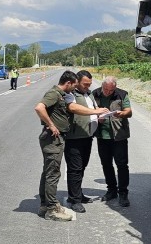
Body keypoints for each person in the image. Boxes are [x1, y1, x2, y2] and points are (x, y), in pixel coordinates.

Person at [34, 70, 109, 221]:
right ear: (69, 83)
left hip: (69, 137)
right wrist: (51, 125)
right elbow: (39, 107)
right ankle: (52, 208)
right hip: (56, 138)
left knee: (50, 171)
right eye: (76, 85)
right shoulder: (56, 93)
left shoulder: (68, 93)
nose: (76, 88)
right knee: (53, 173)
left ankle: (46, 205)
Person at [93, 76, 132, 207]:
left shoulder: (122, 94)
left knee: (122, 165)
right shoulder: (95, 94)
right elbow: (89, 111)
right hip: (102, 136)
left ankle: (123, 193)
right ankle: (111, 190)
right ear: (102, 86)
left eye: (111, 90)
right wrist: (97, 116)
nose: (108, 92)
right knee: (106, 164)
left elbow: (129, 111)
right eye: (106, 89)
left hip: (119, 136)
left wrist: (121, 114)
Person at [63, 70, 99, 213]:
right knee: (75, 169)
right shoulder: (70, 94)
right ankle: (74, 200)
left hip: (87, 136)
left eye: (89, 84)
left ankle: (78, 194)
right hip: (74, 137)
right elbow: (73, 108)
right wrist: (96, 112)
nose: (87, 87)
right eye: (85, 84)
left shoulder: (89, 94)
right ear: (77, 82)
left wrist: (100, 115)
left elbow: (92, 109)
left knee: (82, 167)